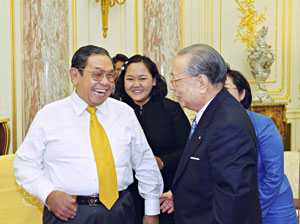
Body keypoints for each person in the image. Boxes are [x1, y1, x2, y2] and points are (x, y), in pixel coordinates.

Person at [14, 45, 163, 224]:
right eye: (97, 74)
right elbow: (24, 164)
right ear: (75, 76)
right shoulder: (49, 116)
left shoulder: (125, 113)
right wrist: (48, 194)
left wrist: (151, 211)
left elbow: (145, 162)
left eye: (110, 76)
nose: (106, 82)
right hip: (68, 213)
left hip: (120, 211)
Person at [160, 44, 262, 223]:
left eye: (176, 80)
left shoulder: (228, 125)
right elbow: (205, 174)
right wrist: (180, 196)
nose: (172, 87)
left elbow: (232, 202)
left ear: (201, 82)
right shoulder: (212, 113)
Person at [115, 55, 191, 224]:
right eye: (130, 79)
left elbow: (189, 151)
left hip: (164, 196)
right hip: (125, 196)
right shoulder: (116, 111)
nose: (136, 85)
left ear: (154, 80)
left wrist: (162, 162)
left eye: (142, 79)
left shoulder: (171, 109)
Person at [225, 68, 298, 224]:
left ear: (242, 94)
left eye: (225, 89)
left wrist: (253, 211)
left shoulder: (262, 124)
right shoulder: (215, 126)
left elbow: (273, 175)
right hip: (234, 207)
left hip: (273, 208)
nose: (221, 95)